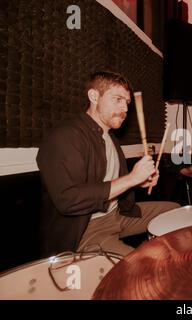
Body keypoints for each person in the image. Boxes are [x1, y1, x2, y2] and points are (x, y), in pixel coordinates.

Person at [36, 71, 179, 257]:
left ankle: (153, 250)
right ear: (94, 96)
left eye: (127, 102)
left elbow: (113, 183)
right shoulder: (64, 137)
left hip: (119, 213)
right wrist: (131, 178)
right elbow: (68, 200)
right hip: (86, 228)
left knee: (175, 211)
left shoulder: (110, 138)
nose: (125, 108)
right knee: (141, 269)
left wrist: (139, 182)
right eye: (118, 99)